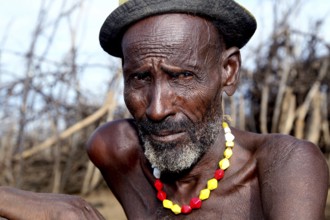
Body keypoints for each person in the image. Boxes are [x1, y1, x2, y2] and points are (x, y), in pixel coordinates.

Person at [0, 0, 328, 219]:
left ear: (228, 71)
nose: (157, 109)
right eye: (140, 78)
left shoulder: (284, 166)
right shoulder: (119, 152)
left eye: (182, 76)